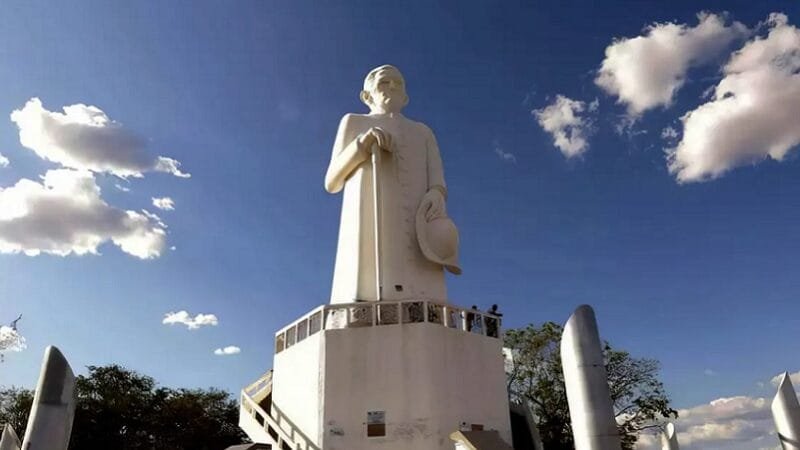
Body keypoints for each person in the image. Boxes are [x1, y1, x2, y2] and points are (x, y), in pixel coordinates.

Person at [325, 65, 460, 304]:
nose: (393, 87)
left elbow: (437, 179)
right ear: (367, 96)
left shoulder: (423, 132)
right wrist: (362, 144)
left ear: (406, 96)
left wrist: (437, 193)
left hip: (418, 218)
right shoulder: (354, 122)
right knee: (370, 278)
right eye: (385, 82)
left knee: (422, 288)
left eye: (398, 83)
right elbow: (331, 181)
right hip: (372, 217)